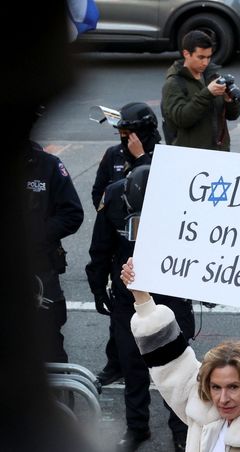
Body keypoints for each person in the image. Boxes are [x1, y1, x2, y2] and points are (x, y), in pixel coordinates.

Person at [120, 258, 240, 452]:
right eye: (216, 387)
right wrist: (140, 294)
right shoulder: (199, 406)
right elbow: (170, 361)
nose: (223, 399)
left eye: (233, 387)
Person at [86, 164, 195, 452]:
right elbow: (101, 246)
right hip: (128, 296)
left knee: (176, 364)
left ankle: (181, 428)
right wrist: (98, 285)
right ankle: (137, 427)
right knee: (132, 364)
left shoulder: (184, 200)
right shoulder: (111, 197)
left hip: (170, 293)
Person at [90, 102, 160, 387]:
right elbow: (99, 193)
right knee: (120, 319)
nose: (124, 139)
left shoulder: (163, 156)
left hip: (155, 252)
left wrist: (141, 158)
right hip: (122, 248)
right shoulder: (112, 156)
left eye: (130, 133)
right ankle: (116, 362)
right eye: (122, 133)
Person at [23, 133, 84, 363]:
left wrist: (33, 234)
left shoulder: (47, 165)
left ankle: (58, 398)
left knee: (50, 349)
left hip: (41, 273)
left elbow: (73, 214)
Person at [161, 30, 240, 150]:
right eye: (201, 57)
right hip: (191, 155)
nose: (205, 62)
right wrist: (207, 93)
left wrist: (229, 101)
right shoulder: (173, 84)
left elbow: (233, 115)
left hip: (219, 152)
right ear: (186, 54)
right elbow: (182, 119)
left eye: (209, 57)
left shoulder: (212, 77)